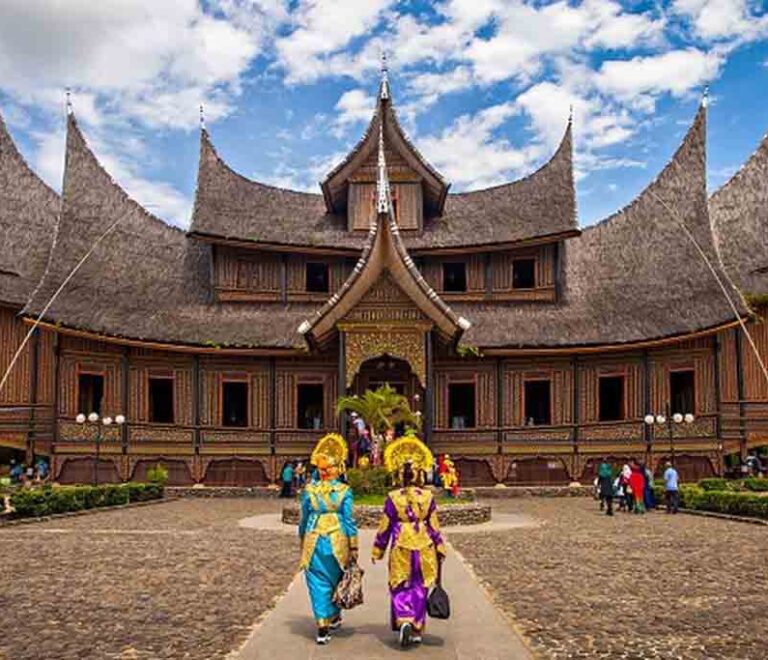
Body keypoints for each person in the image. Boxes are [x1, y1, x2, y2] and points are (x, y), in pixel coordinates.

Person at [372, 437, 446, 648]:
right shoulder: (428, 497)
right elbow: (434, 525)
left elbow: (385, 525)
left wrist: (378, 548)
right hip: (423, 544)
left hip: (401, 543)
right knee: (420, 586)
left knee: (400, 584)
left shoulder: (393, 497)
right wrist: (440, 546)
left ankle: (404, 618)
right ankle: (416, 627)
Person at [299, 433, 358, 645]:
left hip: (313, 537)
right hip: (337, 539)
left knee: (316, 581)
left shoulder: (309, 490)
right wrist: (353, 546)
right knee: (335, 578)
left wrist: (302, 539)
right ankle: (333, 614)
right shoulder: (344, 491)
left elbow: (304, 517)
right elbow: (349, 520)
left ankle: (322, 625)